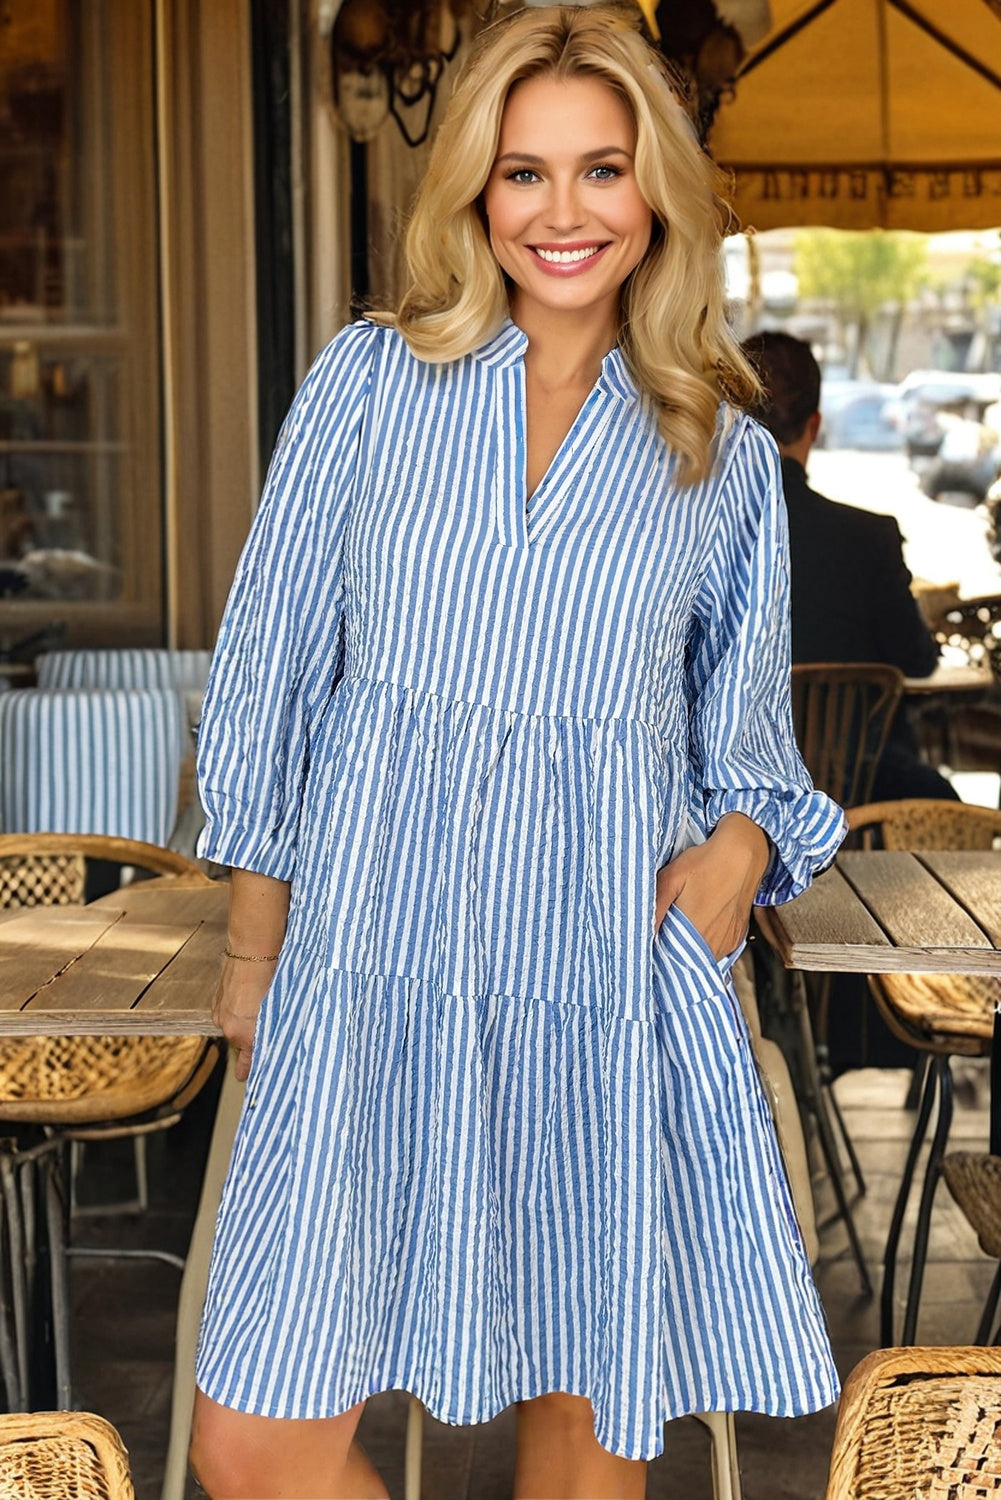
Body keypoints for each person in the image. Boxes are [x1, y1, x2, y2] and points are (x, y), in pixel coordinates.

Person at [188, 9, 845, 1498]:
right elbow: (275, 662)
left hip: (596, 965)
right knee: (252, 1443)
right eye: (524, 172)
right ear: (475, 193)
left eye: (601, 169)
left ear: (655, 189)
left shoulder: (718, 449)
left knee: (576, 1412)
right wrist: (252, 953)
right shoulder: (368, 383)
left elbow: (746, 748)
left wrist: (740, 852)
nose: (563, 213)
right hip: (367, 958)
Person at [741, 330, 957, 803]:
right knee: (942, 799)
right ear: (814, 426)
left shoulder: (688, 539)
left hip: (731, 802)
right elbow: (918, 660)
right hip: (861, 794)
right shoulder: (869, 538)